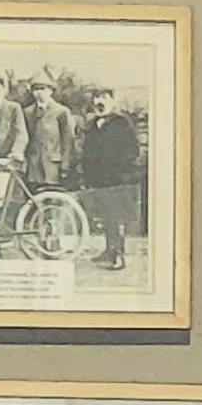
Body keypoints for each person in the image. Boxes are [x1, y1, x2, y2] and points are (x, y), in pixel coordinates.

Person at [77, 88, 141, 271]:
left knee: (116, 217)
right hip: (99, 179)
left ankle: (118, 255)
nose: (99, 102)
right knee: (106, 217)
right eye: (96, 98)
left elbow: (132, 150)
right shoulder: (92, 125)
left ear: (113, 101)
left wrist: (120, 168)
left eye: (104, 98)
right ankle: (108, 250)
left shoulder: (122, 123)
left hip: (117, 179)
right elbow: (88, 151)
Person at [25, 80, 77, 192]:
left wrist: (65, 165)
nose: (39, 93)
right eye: (36, 90)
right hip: (33, 167)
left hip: (53, 166)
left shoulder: (61, 111)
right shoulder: (27, 112)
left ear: (50, 91)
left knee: (53, 199)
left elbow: (68, 140)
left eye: (43, 89)